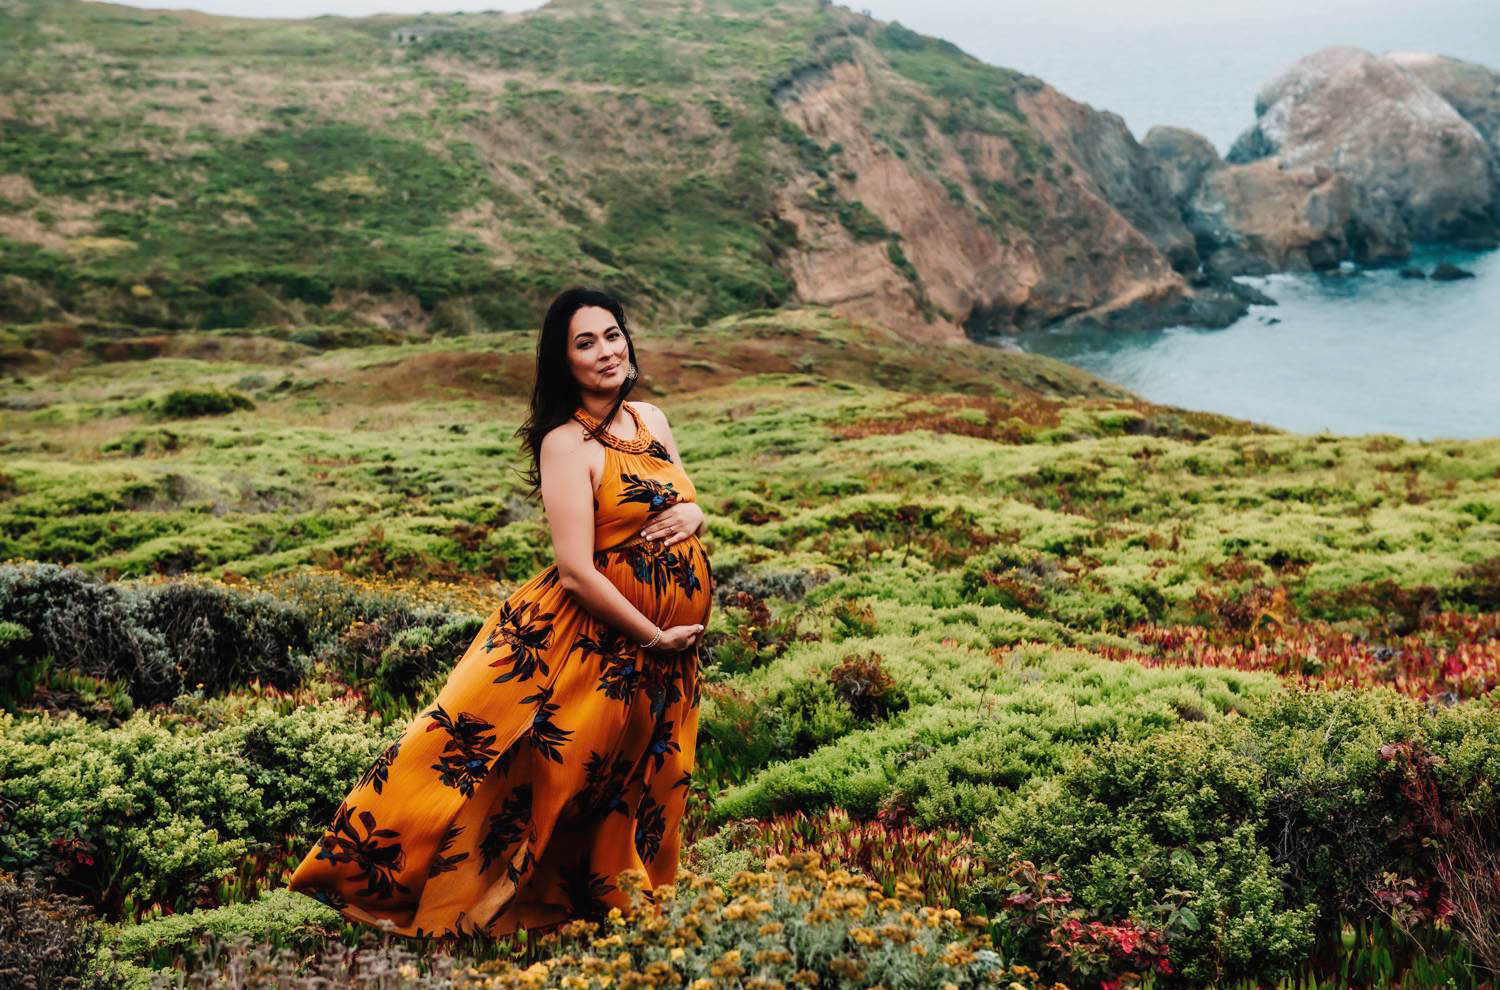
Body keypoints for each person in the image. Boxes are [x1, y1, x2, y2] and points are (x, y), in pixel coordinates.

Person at [286, 286, 712, 937]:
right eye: (586, 342)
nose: (606, 351)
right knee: (550, 771)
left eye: (612, 334)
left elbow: (683, 499)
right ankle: (430, 891)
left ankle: (616, 905)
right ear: (562, 362)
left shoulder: (651, 419)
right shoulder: (565, 444)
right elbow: (575, 571)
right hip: (596, 643)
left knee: (647, 775)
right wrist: (654, 636)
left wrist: (697, 513)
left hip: (666, 650)